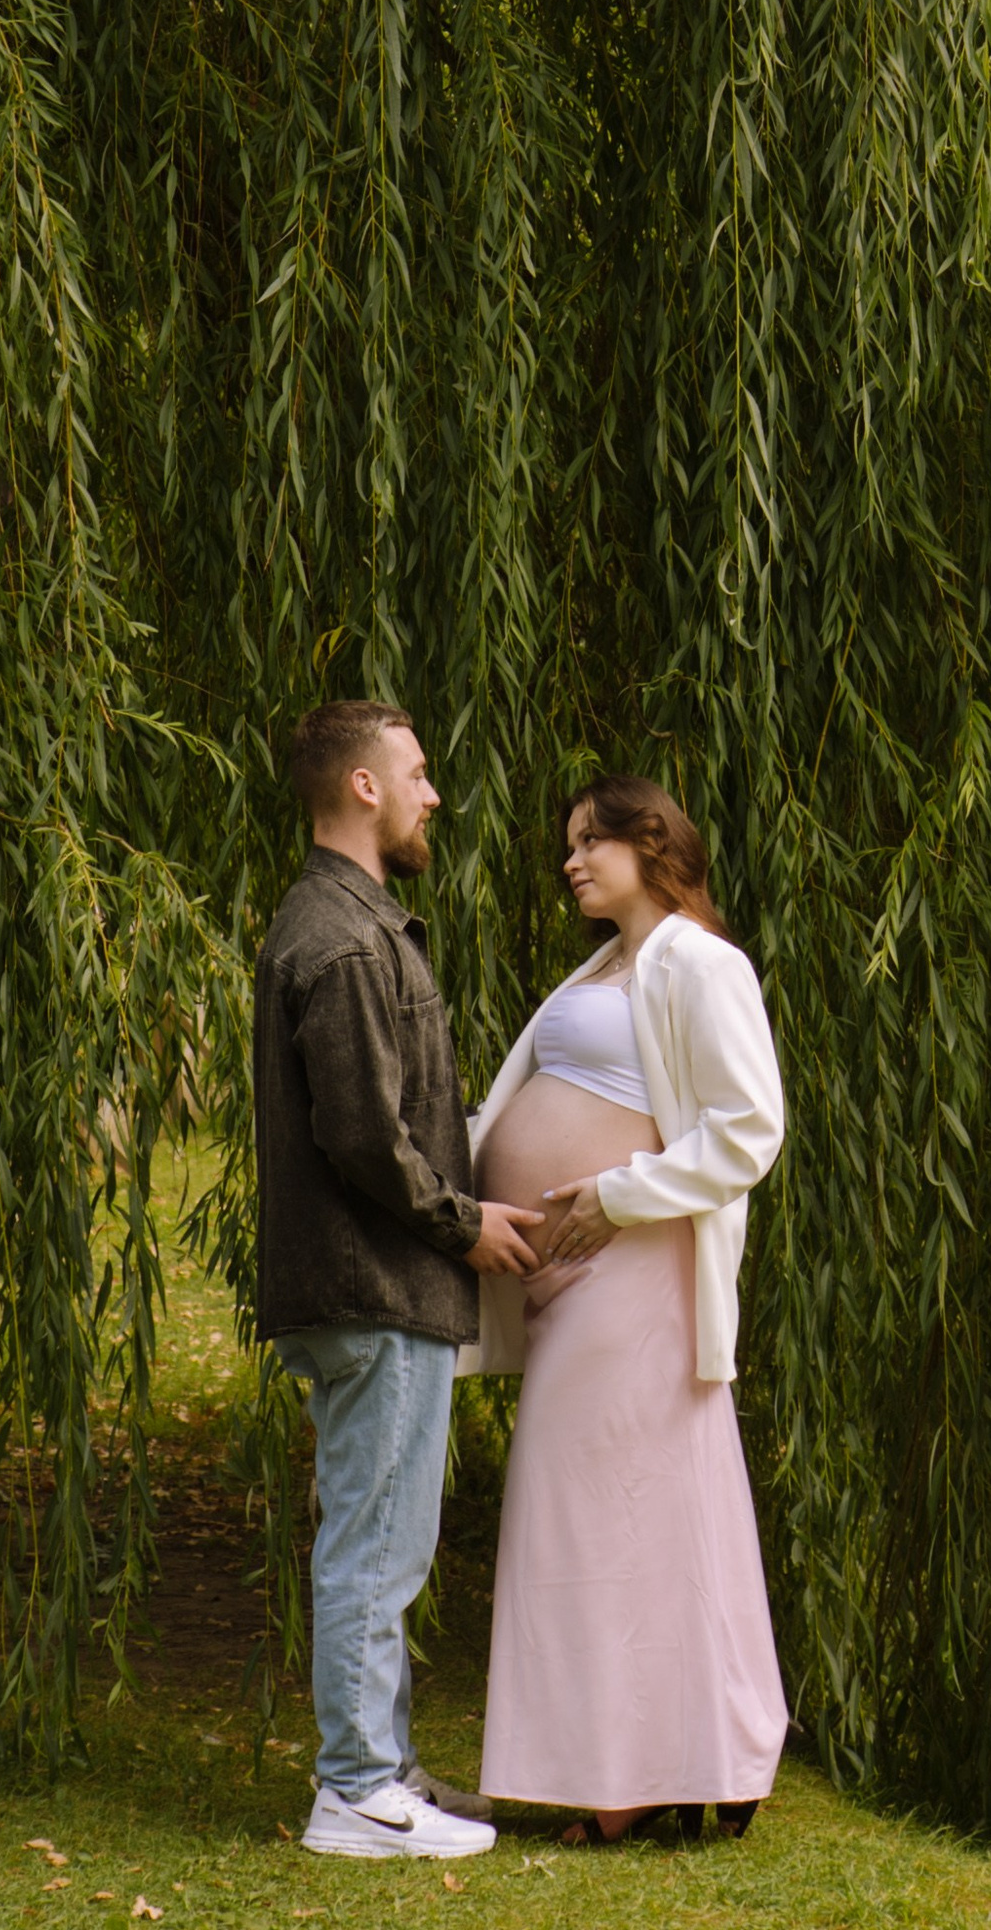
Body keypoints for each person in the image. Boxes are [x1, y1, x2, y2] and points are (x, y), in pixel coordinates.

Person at [253, 700, 544, 1857]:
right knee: (376, 1543)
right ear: (363, 788)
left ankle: (388, 1771)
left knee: (383, 1536)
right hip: (373, 1284)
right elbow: (364, 1134)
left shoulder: (347, 924)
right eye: (416, 774)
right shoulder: (342, 941)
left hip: (368, 1286)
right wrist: (461, 1225)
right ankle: (356, 1792)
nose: (433, 794)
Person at [472, 775, 788, 1841]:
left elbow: (748, 1129)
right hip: (571, 1280)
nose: (569, 861)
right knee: (603, 1513)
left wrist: (616, 1195)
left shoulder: (701, 963)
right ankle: (658, 1763)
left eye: (589, 842)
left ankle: (638, 1778)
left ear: (649, 844)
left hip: (637, 1270)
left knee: (611, 1513)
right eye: (566, 843)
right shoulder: (607, 963)